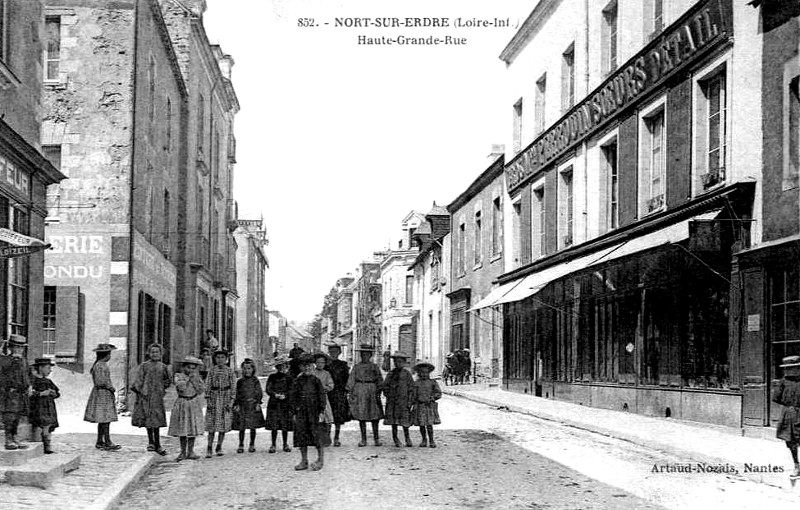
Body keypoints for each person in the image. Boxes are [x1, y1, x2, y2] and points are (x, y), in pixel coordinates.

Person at [130, 343, 172, 455]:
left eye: (157, 352)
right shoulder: (144, 366)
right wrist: (140, 390)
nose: (155, 354)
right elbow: (139, 380)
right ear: (148, 353)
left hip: (157, 397)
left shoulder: (163, 367)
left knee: (157, 419)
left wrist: (162, 388)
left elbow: (168, 380)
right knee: (148, 418)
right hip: (146, 396)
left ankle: (158, 443)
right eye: (152, 352)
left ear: (161, 353)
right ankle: (151, 442)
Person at [290, 354, 326, 471]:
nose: (307, 368)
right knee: (301, 436)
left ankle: (320, 460)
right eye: (304, 366)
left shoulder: (316, 381)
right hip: (301, 412)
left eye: (309, 366)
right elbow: (293, 397)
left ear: (313, 366)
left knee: (317, 436)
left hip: (314, 412)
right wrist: (294, 412)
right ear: (300, 367)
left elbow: (321, 396)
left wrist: (321, 411)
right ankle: (304, 460)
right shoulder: (297, 381)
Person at [84, 343, 122, 451]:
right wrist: (111, 388)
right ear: (106, 355)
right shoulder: (100, 366)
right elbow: (101, 381)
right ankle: (107, 441)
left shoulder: (99, 365)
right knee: (105, 418)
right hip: (102, 394)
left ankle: (100, 441)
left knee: (103, 419)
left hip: (102, 393)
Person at [346, 343, 384, 447]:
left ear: (370, 355)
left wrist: (379, 390)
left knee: (374, 415)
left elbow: (379, 379)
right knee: (361, 414)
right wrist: (350, 391)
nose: (365, 356)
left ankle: (376, 439)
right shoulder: (356, 367)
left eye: (367, 354)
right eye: (363, 354)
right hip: (360, 389)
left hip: (372, 389)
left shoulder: (374, 367)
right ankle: (363, 439)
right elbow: (351, 379)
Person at [168, 355, 205, 462]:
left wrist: (196, 381)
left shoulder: (197, 378)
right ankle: (183, 451)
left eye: (193, 368)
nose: (190, 370)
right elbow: (181, 388)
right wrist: (188, 379)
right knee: (183, 428)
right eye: (188, 368)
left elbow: (200, 390)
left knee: (192, 428)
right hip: (182, 403)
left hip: (193, 403)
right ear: (184, 367)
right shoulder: (178, 376)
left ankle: (191, 451)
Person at [0, 335, 31, 450]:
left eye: (21, 348)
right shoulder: (5, 360)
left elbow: (27, 375)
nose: (19, 350)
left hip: (20, 394)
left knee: (18, 417)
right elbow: (3, 377)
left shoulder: (24, 361)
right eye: (16, 347)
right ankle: (8, 440)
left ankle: (15, 438)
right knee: (9, 417)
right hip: (9, 394)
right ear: (11, 348)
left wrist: (28, 386)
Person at [204, 348, 235, 457]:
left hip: (225, 397)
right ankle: (209, 447)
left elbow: (233, 386)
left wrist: (231, 401)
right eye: (218, 357)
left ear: (226, 359)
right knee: (211, 425)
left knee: (223, 424)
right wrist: (208, 399)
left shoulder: (230, 371)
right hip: (214, 397)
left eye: (223, 357)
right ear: (215, 359)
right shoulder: (212, 371)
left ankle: (219, 446)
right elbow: (207, 385)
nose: (220, 359)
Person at [774, 355, 800, 479]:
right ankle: (796, 466)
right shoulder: (783, 381)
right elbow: (776, 398)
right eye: (785, 368)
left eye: (790, 368)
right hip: (788, 415)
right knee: (791, 442)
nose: (787, 371)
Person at [232, 358, 266, 453]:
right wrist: (236, 403)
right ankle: (241, 444)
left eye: (249, 368)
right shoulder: (240, 381)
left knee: (252, 426)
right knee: (241, 426)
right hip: (243, 405)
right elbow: (237, 393)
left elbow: (259, 392)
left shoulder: (255, 380)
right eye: (245, 368)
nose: (247, 371)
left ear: (253, 369)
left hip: (252, 405)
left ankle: (252, 444)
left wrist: (258, 402)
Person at [384, 351, 415, 447]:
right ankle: (395, 438)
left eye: (401, 361)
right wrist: (388, 394)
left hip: (403, 401)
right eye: (396, 362)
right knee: (394, 421)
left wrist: (410, 401)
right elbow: (385, 386)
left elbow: (411, 388)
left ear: (404, 362)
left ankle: (407, 437)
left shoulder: (407, 374)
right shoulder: (391, 374)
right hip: (393, 401)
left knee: (405, 421)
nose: (398, 363)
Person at [29, 358, 60, 454]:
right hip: (38, 407)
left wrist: (54, 393)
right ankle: (41, 445)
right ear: (40, 368)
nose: (50, 370)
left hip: (49, 407)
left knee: (49, 425)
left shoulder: (48, 381)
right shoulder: (33, 381)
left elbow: (57, 393)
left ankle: (47, 446)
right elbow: (30, 394)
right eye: (48, 368)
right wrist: (41, 393)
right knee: (41, 425)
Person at [324, 341, 350, 446]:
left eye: (336, 351)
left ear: (339, 352)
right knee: (327, 415)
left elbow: (346, 379)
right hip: (328, 393)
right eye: (332, 351)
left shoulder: (343, 365)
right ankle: (327, 437)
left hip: (339, 392)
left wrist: (346, 390)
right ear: (329, 352)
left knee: (338, 416)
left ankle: (336, 437)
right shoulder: (325, 366)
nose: (334, 353)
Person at [265, 354, 293, 453]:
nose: (282, 368)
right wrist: (274, 394)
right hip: (274, 403)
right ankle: (273, 444)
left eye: (284, 366)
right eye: (279, 366)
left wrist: (285, 395)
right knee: (274, 425)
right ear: (276, 367)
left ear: (287, 366)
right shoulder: (272, 377)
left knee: (284, 424)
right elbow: (268, 388)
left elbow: (292, 389)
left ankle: (285, 443)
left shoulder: (289, 378)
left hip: (285, 403)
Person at [411, 361, 442, 448]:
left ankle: (431, 440)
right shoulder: (416, 383)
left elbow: (438, 393)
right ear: (419, 373)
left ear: (429, 373)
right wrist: (412, 402)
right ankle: (424, 439)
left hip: (429, 406)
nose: (424, 374)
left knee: (429, 424)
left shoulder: (432, 382)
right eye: (422, 373)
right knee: (421, 424)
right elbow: (413, 394)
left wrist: (433, 398)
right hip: (420, 406)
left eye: (426, 373)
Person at [311, 352, 334, 447]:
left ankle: (327, 438)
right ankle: (315, 439)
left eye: (322, 362)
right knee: (315, 418)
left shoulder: (326, 374)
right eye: (318, 362)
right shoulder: (312, 373)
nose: (320, 364)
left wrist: (324, 388)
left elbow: (331, 385)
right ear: (315, 363)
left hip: (324, 397)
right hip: (313, 398)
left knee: (328, 418)